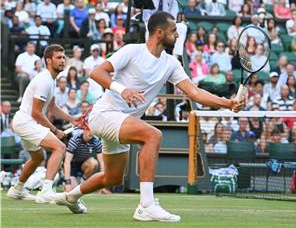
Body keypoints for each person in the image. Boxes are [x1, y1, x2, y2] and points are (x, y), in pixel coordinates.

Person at [55, 12, 244, 221]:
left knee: (112, 177)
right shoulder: (132, 51)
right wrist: (123, 90)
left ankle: (70, 197)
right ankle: (146, 205)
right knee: (152, 135)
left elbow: (195, 93)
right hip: (105, 114)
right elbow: (97, 72)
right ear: (160, 32)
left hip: (121, 121)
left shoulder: (171, 64)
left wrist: (228, 103)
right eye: (173, 31)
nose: (177, 36)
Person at [7, 44, 80, 203]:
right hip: (26, 121)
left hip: (24, 122)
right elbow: (36, 112)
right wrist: (55, 130)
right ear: (48, 60)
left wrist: (71, 119)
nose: (63, 60)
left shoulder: (51, 80)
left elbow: (52, 107)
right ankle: (46, 190)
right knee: (59, 147)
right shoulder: (44, 80)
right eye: (58, 57)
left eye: (63, 57)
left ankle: (17, 189)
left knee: (38, 156)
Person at [64, 129, 109, 194]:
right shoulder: (75, 140)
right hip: (72, 165)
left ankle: (82, 181)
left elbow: (102, 162)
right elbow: (67, 162)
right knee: (73, 192)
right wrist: (67, 183)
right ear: (84, 130)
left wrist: (103, 186)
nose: (91, 133)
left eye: (93, 130)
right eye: (88, 130)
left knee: (93, 163)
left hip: (84, 164)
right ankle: (68, 181)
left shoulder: (96, 141)